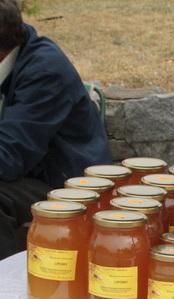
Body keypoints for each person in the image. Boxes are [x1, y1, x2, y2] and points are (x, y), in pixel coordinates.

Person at [0, 0, 111, 258]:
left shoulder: (45, 71)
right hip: (32, 171)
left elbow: (8, 157)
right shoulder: (13, 48)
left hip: (71, 187)